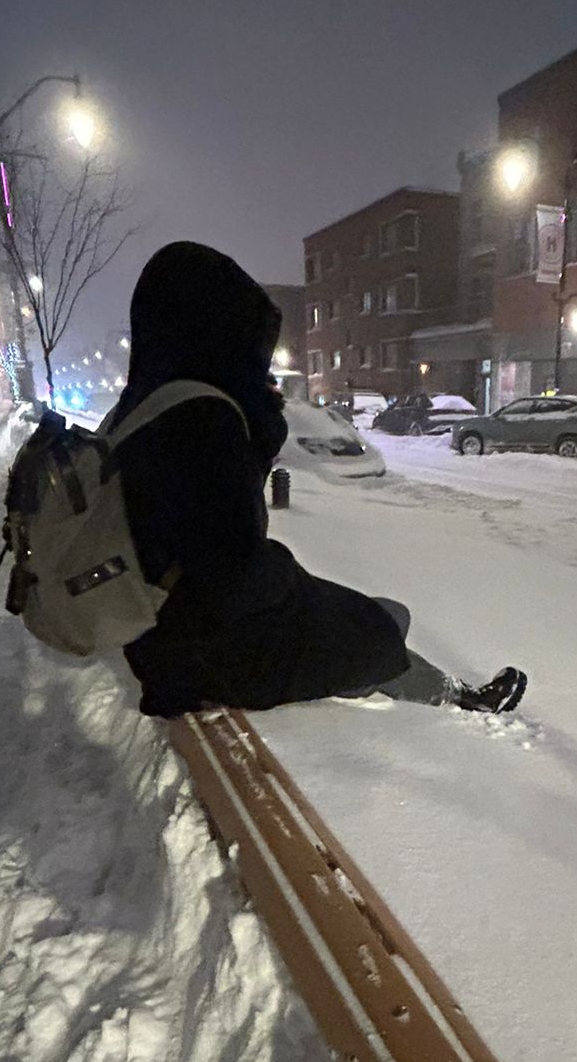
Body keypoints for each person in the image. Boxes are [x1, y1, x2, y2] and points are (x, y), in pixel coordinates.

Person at [115, 242, 527, 720]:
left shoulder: (143, 407)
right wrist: (292, 581)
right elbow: (232, 573)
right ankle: (458, 696)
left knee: (365, 623)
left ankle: (455, 692)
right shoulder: (202, 417)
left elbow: (201, 540)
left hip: (161, 638)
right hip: (205, 650)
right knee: (384, 623)